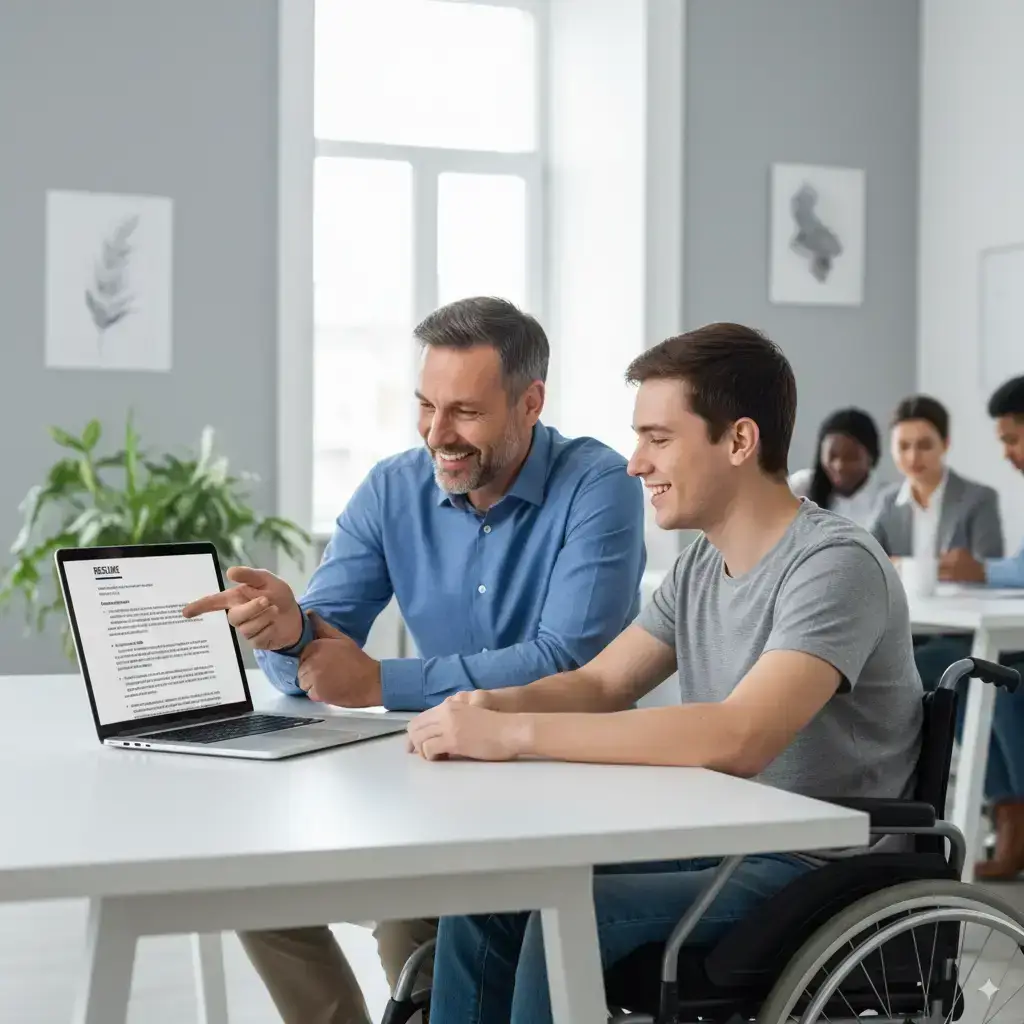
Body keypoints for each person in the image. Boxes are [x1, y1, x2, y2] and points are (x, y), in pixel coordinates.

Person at [406, 323, 923, 1024]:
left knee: (567, 916)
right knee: (489, 896)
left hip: (813, 866)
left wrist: (516, 733)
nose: (633, 463)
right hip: (722, 843)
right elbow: (599, 685)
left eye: (657, 437)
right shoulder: (702, 565)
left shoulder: (834, 566)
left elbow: (740, 735)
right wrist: (482, 707)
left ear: (738, 442)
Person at [181, 297, 646, 1024]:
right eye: (426, 406)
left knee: (412, 923)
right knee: (248, 884)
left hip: (562, 780)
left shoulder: (600, 485)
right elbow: (320, 639)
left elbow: (568, 663)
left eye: (464, 411)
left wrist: (379, 682)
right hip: (436, 780)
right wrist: (289, 632)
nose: (438, 434)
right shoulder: (393, 487)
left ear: (531, 403)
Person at [915, 376, 1024, 879]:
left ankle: (1013, 815)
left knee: (993, 673)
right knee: (941, 663)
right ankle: (1006, 809)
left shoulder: (975, 498)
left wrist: (981, 570)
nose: (1007, 453)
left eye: (1012, 439)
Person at [869, 394, 1003, 561]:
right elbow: (866, 560)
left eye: (924, 445)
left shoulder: (979, 499)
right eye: (903, 446)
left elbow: (987, 568)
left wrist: (902, 566)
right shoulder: (887, 501)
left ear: (945, 444)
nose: (913, 457)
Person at [788, 407, 886, 527]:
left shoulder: (886, 501)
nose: (839, 466)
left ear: (871, 456)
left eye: (851, 457)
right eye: (832, 456)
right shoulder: (802, 486)